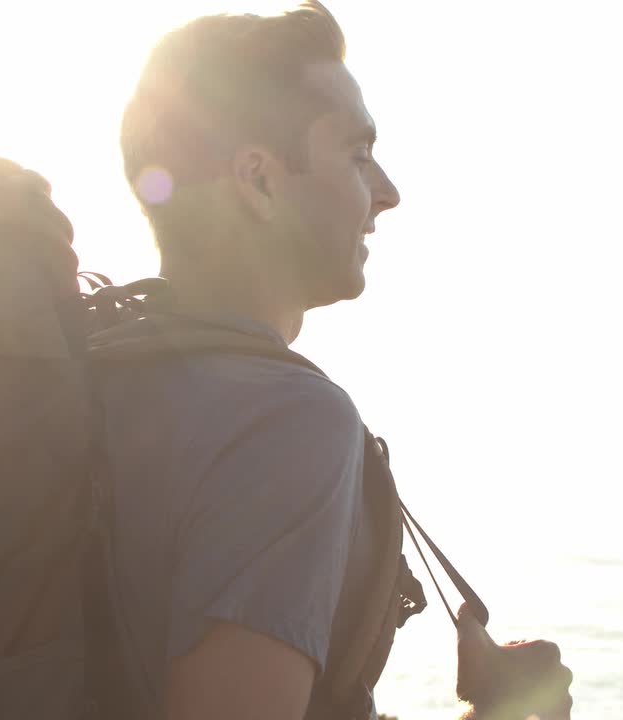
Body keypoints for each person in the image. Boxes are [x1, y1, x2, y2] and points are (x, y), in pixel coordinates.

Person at [96, 2, 573, 718]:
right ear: (258, 180)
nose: (387, 193)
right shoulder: (284, 422)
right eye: (357, 154)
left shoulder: (101, 360)